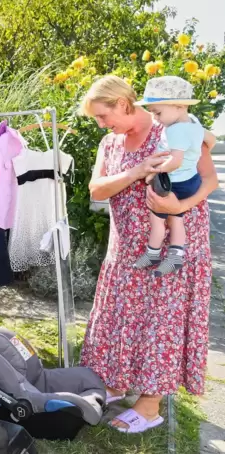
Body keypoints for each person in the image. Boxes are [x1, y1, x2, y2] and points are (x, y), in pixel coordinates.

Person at [78, 76, 216, 433]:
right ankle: (115, 383)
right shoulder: (111, 143)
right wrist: (136, 171)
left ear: (124, 104)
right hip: (126, 250)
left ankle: (150, 405)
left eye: (103, 116)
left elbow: (210, 180)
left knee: (161, 324)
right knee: (122, 318)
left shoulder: (171, 128)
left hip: (172, 247)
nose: (101, 124)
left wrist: (179, 203)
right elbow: (97, 189)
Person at [132, 76, 216, 276]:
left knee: (157, 219)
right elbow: (210, 140)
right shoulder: (194, 124)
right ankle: (175, 255)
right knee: (176, 219)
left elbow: (176, 161)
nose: (155, 118)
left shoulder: (175, 130)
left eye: (158, 112)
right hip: (190, 180)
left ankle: (153, 252)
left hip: (175, 181)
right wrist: (194, 155)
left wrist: (154, 173)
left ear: (178, 106)